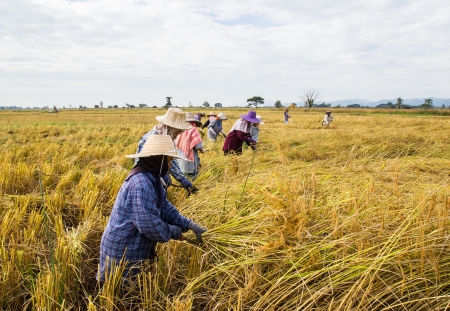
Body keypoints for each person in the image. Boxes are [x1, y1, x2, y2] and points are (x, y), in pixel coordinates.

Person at [98, 135, 206, 283]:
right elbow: (150, 225)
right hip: (123, 253)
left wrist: (189, 225)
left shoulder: (152, 178)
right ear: (158, 159)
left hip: (134, 248)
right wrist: (175, 232)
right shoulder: (140, 184)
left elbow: (165, 207)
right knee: (121, 299)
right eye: (168, 161)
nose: (169, 166)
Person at [136, 108, 199, 194]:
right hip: (148, 186)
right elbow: (141, 166)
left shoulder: (168, 139)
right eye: (177, 132)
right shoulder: (151, 139)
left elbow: (172, 164)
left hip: (158, 183)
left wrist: (186, 183)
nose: (177, 135)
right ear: (169, 128)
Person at [175, 112, 206, 180]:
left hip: (180, 159)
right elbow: (198, 146)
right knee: (192, 179)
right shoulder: (193, 129)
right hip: (190, 161)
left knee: (183, 178)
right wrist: (203, 150)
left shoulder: (179, 130)